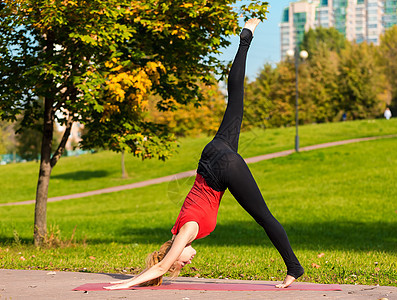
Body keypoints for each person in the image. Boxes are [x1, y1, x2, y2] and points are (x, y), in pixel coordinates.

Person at [105, 18, 303, 290]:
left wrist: (124, 285)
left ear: (171, 253)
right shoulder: (178, 228)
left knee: (264, 217)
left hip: (222, 167)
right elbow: (164, 261)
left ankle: (294, 267)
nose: (186, 262)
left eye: (180, 263)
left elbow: (161, 265)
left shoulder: (185, 232)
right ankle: (246, 37)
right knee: (235, 98)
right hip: (211, 156)